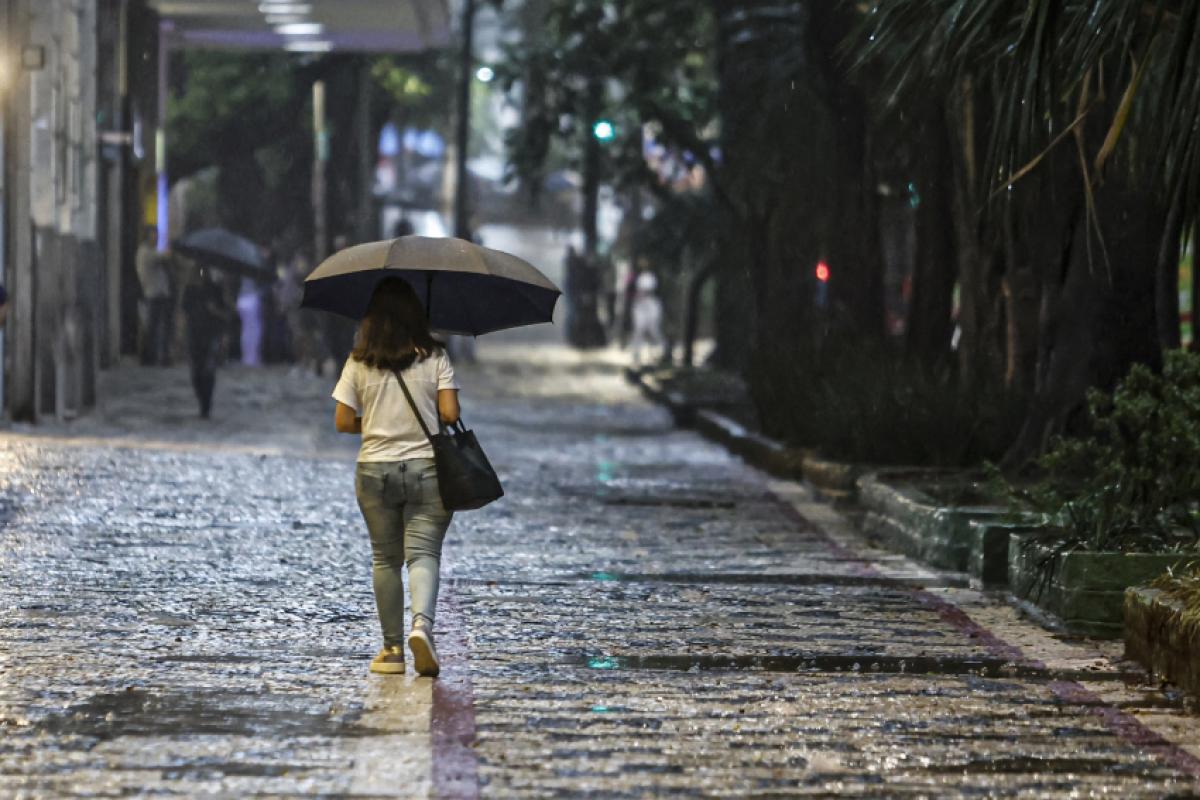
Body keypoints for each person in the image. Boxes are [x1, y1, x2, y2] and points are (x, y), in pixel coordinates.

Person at [332, 277, 460, 677]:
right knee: (423, 553)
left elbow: (342, 421)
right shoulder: (435, 356)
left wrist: (375, 422)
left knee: (385, 558)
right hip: (427, 468)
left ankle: (391, 650)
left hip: (374, 469)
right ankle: (422, 626)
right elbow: (450, 414)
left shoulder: (358, 361)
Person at [181, 267, 230, 418]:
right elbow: (184, 312)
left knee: (208, 371)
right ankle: (202, 399)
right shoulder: (189, 290)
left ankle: (206, 406)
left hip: (212, 334)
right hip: (194, 334)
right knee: (196, 372)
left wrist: (215, 310)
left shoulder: (216, 289)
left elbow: (226, 313)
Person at [136, 226, 173, 365]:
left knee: (157, 327)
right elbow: (165, 256)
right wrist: (170, 245)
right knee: (152, 328)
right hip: (153, 294)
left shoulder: (151, 251)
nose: (156, 238)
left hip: (159, 293)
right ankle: (148, 358)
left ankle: (156, 357)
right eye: (154, 235)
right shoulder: (145, 252)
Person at [629, 268, 665, 367]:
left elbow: (654, 326)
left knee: (654, 331)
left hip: (651, 311)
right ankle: (636, 357)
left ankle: (659, 355)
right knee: (638, 332)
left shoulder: (655, 304)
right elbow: (638, 326)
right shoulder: (637, 303)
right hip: (640, 308)